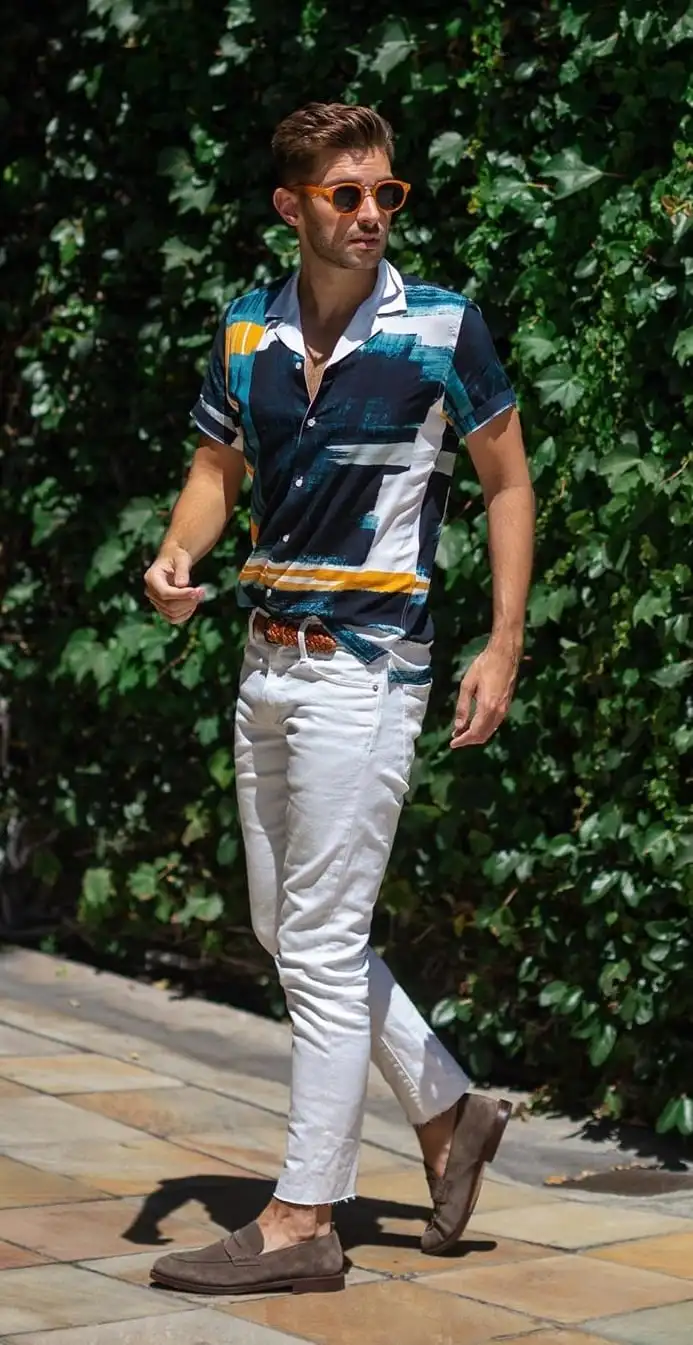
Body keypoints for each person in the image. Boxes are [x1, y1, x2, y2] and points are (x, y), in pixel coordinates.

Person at [144, 102, 535, 1297]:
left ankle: (303, 1218)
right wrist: (177, 553)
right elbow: (217, 468)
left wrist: (503, 642)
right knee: (289, 931)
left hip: (368, 668)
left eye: (386, 195)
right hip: (264, 660)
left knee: (316, 940)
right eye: (347, 195)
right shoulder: (246, 330)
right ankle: (450, 1109)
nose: (371, 214)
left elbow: (507, 482)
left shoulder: (441, 327)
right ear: (293, 206)